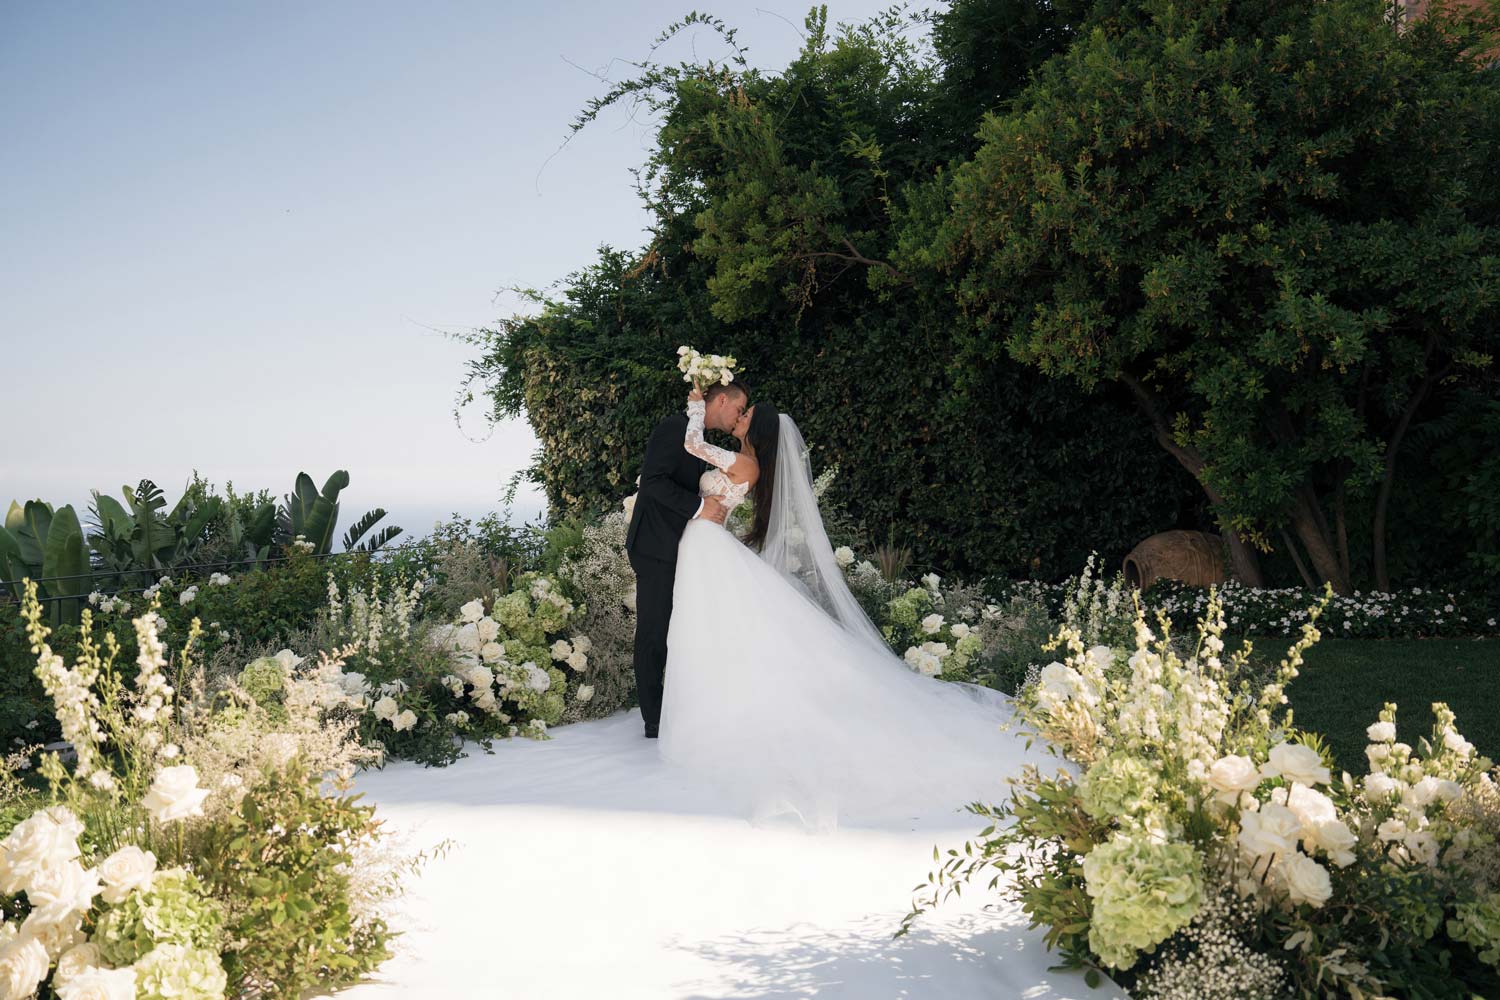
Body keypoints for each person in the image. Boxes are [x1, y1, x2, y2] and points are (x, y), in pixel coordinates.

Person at [656, 386, 1034, 830]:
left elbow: (693, 445)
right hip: (705, 545)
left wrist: (697, 404)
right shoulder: (743, 461)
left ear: (754, 428)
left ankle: (713, 716)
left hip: (708, 547)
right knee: (709, 632)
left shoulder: (746, 464)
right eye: (740, 409)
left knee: (711, 630)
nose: (738, 415)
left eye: (745, 413)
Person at [623, 380, 747, 738]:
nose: (736, 417)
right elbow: (654, 482)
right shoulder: (673, 428)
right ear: (722, 400)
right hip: (655, 545)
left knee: (681, 630)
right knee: (654, 631)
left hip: (680, 547)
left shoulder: (696, 436)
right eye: (738, 409)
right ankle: (653, 719)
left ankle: (675, 705)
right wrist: (699, 506)